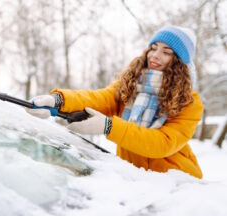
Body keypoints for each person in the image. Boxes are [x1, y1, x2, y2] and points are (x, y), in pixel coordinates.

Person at [26, 26, 204, 179]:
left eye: (166, 52)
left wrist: (109, 127)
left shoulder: (189, 101)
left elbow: (163, 143)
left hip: (177, 182)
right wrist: (58, 101)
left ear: (180, 62)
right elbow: (99, 98)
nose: (155, 56)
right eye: (153, 48)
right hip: (134, 177)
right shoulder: (131, 84)